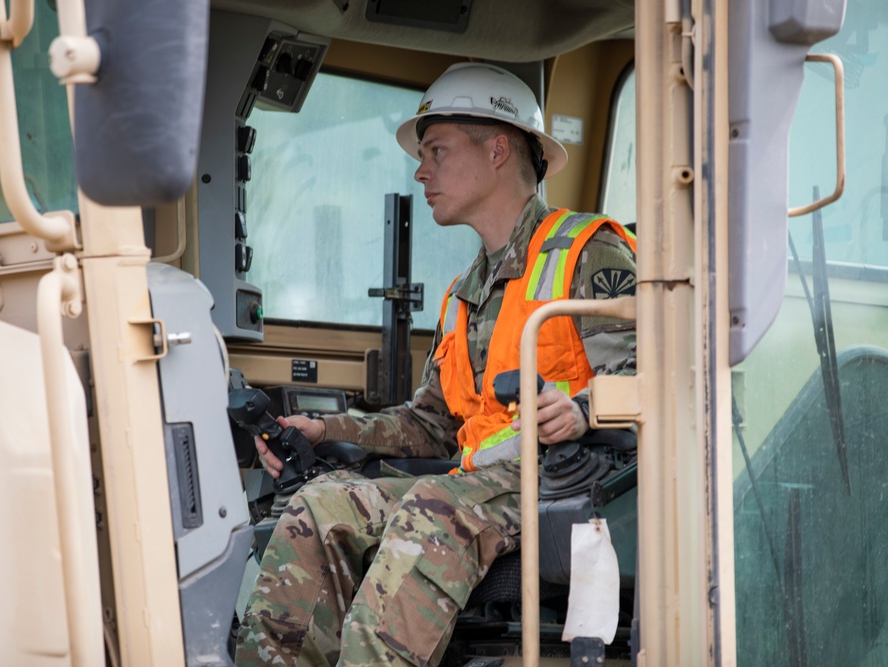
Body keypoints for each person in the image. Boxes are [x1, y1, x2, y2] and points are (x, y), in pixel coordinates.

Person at [235, 62, 637, 667]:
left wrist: (578, 414)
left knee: (433, 506)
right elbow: (430, 424)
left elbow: (653, 377)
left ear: (498, 148)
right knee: (319, 505)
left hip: (566, 479)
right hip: (479, 483)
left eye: (437, 151)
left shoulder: (588, 250)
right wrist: (329, 431)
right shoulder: (463, 293)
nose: (421, 172)